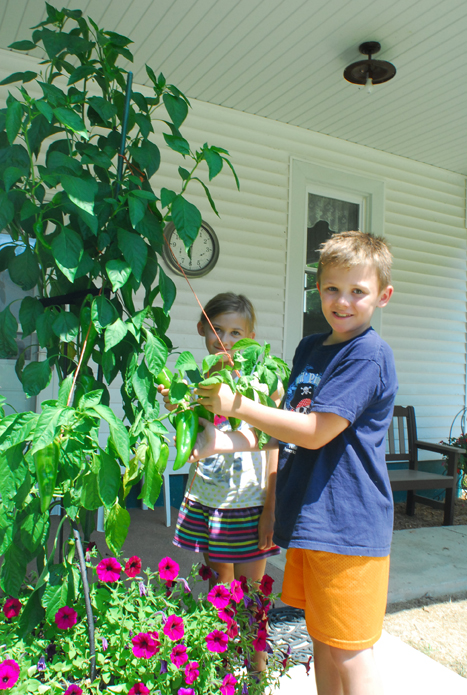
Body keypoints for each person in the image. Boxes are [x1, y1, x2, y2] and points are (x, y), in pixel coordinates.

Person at [191, 232, 398, 695]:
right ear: (316, 288)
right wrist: (218, 441)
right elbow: (285, 427)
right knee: (323, 642)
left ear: (383, 296)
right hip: (312, 518)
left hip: (350, 526)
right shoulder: (310, 349)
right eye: (331, 288)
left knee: (350, 651)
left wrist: (238, 404)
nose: (342, 301)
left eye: (357, 291)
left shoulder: (368, 354)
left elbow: (319, 430)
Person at [160, 292, 281, 670]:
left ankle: (257, 674)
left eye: (235, 333)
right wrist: (176, 402)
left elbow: (273, 442)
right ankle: (224, 672)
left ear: (251, 336)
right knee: (220, 592)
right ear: (202, 328)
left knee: (252, 600)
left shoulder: (262, 382)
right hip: (210, 500)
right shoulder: (199, 382)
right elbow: (194, 437)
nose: (225, 341)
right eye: (218, 330)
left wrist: (271, 510)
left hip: (250, 502)